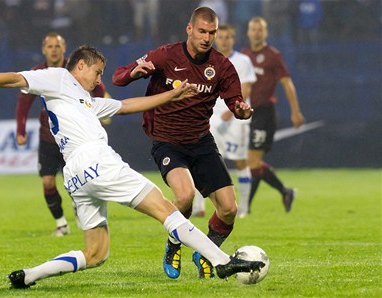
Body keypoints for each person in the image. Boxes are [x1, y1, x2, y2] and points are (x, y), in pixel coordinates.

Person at [0, 45, 264, 289]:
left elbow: (126, 105)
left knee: (96, 254)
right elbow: (13, 78)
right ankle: (221, 261)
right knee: (168, 208)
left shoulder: (84, 100)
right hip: (96, 159)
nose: (98, 79)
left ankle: (30, 276)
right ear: (81, 65)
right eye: (97, 72)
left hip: (77, 176)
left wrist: (169, 99)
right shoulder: (59, 78)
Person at [112, 7, 254, 279]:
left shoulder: (221, 65)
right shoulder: (166, 55)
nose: (207, 38)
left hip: (201, 141)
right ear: (189, 29)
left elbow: (235, 100)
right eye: (202, 31)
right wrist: (134, 73)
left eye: (212, 33)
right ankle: (174, 243)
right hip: (167, 141)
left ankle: (207, 250)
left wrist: (242, 110)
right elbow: (118, 76)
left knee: (228, 209)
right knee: (185, 196)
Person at [15, 32, 109, 237]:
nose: (54, 50)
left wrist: (97, 109)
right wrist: (20, 130)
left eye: (57, 46)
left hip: (74, 140)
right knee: (48, 182)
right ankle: (61, 224)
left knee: (77, 182)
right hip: (48, 138)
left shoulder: (75, 69)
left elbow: (99, 89)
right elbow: (24, 103)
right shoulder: (38, 72)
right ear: (43, 50)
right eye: (49, 46)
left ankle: (81, 210)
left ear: (64, 48)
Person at [241, 17, 305, 213]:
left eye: (260, 30)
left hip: (264, 113)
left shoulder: (273, 55)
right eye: (253, 29)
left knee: (252, 161)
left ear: (266, 33)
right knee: (252, 163)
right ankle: (285, 191)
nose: (257, 33)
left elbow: (287, 83)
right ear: (248, 32)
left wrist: (295, 111)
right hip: (247, 114)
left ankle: (245, 207)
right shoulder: (243, 56)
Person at [192, 24, 257, 219]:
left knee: (239, 161)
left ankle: (244, 207)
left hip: (236, 120)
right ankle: (198, 206)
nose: (224, 40)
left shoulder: (243, 60)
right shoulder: (206, 60)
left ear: (233, 39)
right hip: (210, 118)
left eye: (228, 37)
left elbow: (246, 87)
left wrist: (235, 107)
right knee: (201, 160)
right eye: (220, 37)